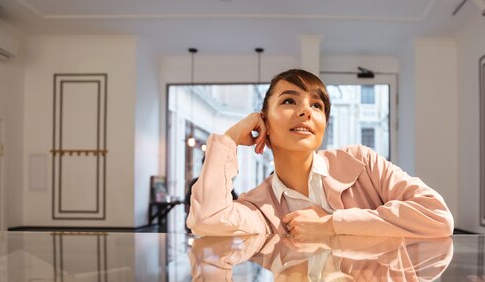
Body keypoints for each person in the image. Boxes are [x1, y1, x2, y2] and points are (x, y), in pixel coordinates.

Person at [187, 69, 453, 237]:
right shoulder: (259, 206)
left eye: (317, 105)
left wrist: (331, 224)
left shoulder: (361, 162)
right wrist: (229, 139)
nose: (306, 111)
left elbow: (438, 216)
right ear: (264, 119)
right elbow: (206, 221)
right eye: (289, 101)